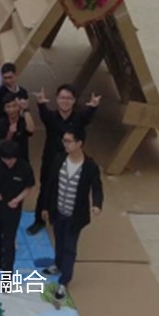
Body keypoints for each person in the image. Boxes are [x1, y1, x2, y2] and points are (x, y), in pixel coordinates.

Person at [26, 84, 100, 236]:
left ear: (74, 100)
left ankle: (65, 220)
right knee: (45, 190)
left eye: (69, 98)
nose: (65, 101)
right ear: (56, 99)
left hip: (71, 162)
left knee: (70, 191)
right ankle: (39, 221)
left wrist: (93, 106)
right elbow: (43, 112)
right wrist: (40, 102)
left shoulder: (79, 118)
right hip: (51, 160)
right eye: (62, 98)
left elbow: (88, 115)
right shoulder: (50, 117)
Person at [41, 128, 103, 300]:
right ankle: (57, 264)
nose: (65, 144)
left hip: (75, 215)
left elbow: (97, 187)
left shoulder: (89, 166)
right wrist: (45, 207)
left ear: (79, 143)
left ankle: (64, 281)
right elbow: (50, 185)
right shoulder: (59, 159)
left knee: (70, 247)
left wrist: (97, 204)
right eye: (64, 141)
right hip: (58, 211)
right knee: (59, 240)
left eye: (68, 141)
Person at [0, 141, 34, 275]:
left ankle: (7, 273)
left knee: (8, 242)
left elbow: (28, 187)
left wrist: (17, 199)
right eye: (5, 159)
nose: (8, 162)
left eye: (11, 159)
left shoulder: (24, 167)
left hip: (12, 209)